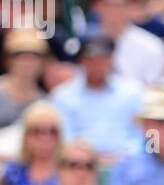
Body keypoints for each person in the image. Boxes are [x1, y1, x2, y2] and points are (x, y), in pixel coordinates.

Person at [50, 34, 143, 163]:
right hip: (80, 164)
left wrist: (121, 156)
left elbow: (141, 135)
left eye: (102, 58)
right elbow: (65, 138)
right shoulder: (63, 96)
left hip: (127, 163)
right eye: (91, 59)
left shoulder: (133, 92)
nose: (97, 64)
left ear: (111, 59)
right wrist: (89, 157)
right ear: (82, 60)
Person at [87, 0, 164, 88]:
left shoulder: (152, 46)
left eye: (121, 4)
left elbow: (154, 92)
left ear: (131, 5)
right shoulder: (82, 42)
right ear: (96, 5)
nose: (115, 11)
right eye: (110, 3)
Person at [0, 27, 48, 138]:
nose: (28, 62)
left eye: (34, 57)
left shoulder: (44, 101)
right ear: (7, 60)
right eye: (21, 56)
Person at [0, 101, 63, 185]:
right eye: (37, 131)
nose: (45, 138)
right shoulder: (12, 172)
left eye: (52, 131)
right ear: (26, 136)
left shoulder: (69, 167)